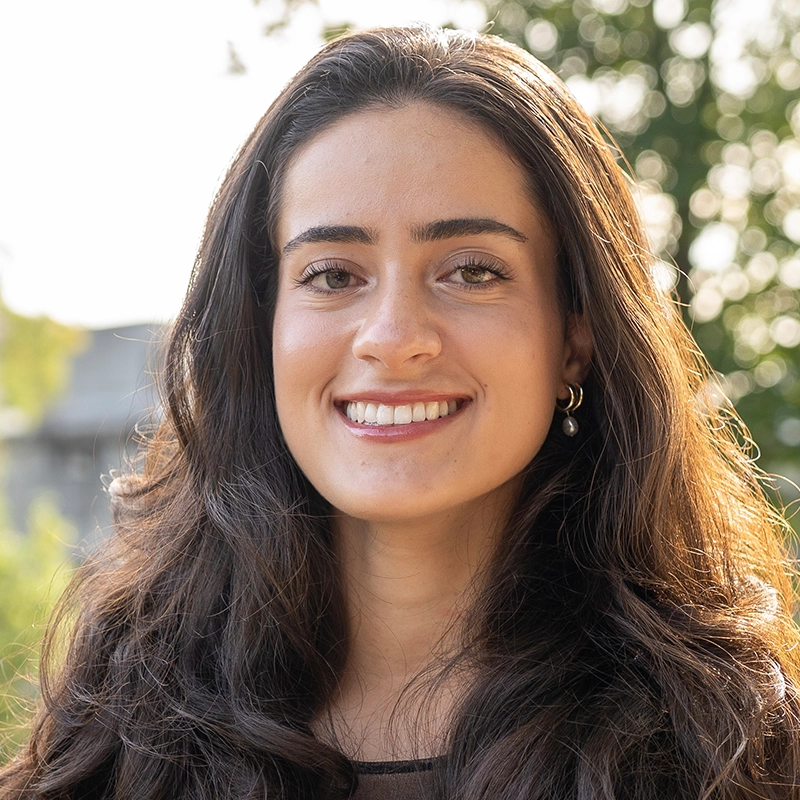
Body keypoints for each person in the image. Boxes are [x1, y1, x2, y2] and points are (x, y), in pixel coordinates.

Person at [2, 24, 799, 800]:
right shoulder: (114, 741)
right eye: (332, 274)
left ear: (575, 335)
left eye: (472, 271)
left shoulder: (738, 755)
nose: (392, 338)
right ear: (260, 327)